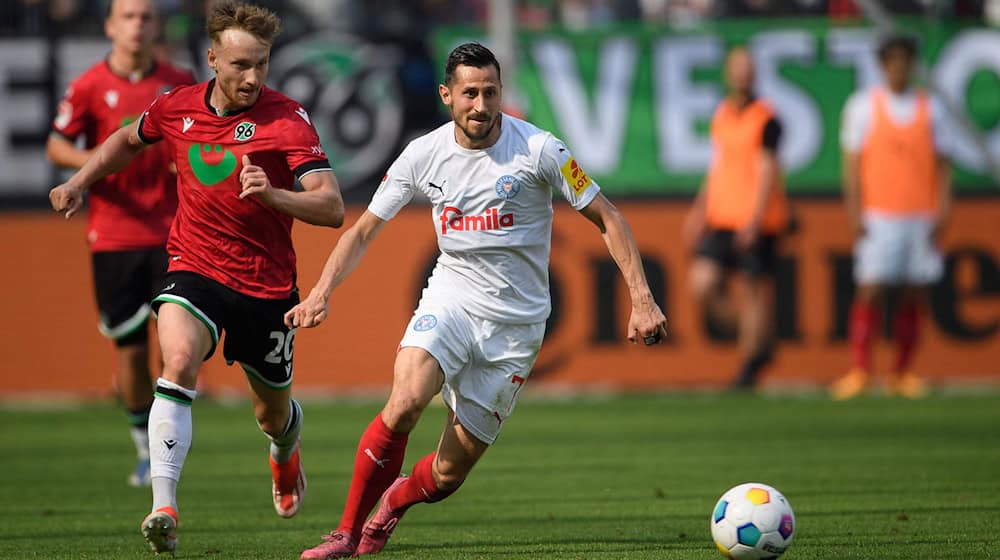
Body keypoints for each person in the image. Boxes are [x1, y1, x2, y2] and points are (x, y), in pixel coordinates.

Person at [290, 42, 667, 560]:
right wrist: (320, 293)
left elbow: (609, 217)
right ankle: (345, 533)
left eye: (490, 92)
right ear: (448, 95)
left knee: (446, 475)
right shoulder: (423, 154)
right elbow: (362, 232)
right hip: (452, 300)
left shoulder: (540, 150)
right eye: (470, 93)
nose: (481, 105)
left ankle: (394, 501)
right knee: (405, 400)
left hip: (515, 328)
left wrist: (642, 299)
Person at [48, 1, 344, 554]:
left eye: (261, 64)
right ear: (212, 59)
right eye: (240, 65)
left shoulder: (287, 119)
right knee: (178, 361)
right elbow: (125, 140)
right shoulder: (177, 106)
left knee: (271, 413)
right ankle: (164, 506)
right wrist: (80, 181)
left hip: (265, 284)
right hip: (193, 265)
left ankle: (284, 452)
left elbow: (331, 207)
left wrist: (275, 194)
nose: (252, 77)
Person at [46, 0, 196, 488]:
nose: (137, 25)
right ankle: (143, 449)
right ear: (111, 26)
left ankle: (165, 445)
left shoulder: (179, 81)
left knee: (175, 346)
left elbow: (197, 139)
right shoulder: (89, 85)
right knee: (129, 348)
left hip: (175, 231)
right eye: (128, 16)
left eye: (146, 17)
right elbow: (56, 143)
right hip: (114, 234)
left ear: (157, 26)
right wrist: (96, 161)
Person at [830, 33, 952, 400]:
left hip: (919, 213)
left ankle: (902, 371)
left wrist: (943, 208)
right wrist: (854, 210)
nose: (900, 67)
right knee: (870, 289)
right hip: (878, 214)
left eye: (906, 60)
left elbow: (944, 166)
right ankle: (860, 369)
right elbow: (851, 166)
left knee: (914, 292)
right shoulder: (864, 106)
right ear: (883, 65)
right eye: (893, 60)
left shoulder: (931, 109)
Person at [683, 47, 788, 390]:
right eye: (737, 69)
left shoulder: (767, 117)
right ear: (729, 74)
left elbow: (767, 169)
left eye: (748, 69)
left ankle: (749, 367)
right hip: (722, 215)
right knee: (702, 283)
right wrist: (699, 211)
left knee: (755, 289)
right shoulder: (723, 113)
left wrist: (755, 219)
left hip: (755, 218)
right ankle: (757, 340)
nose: (742, 75)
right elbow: (718, 166)